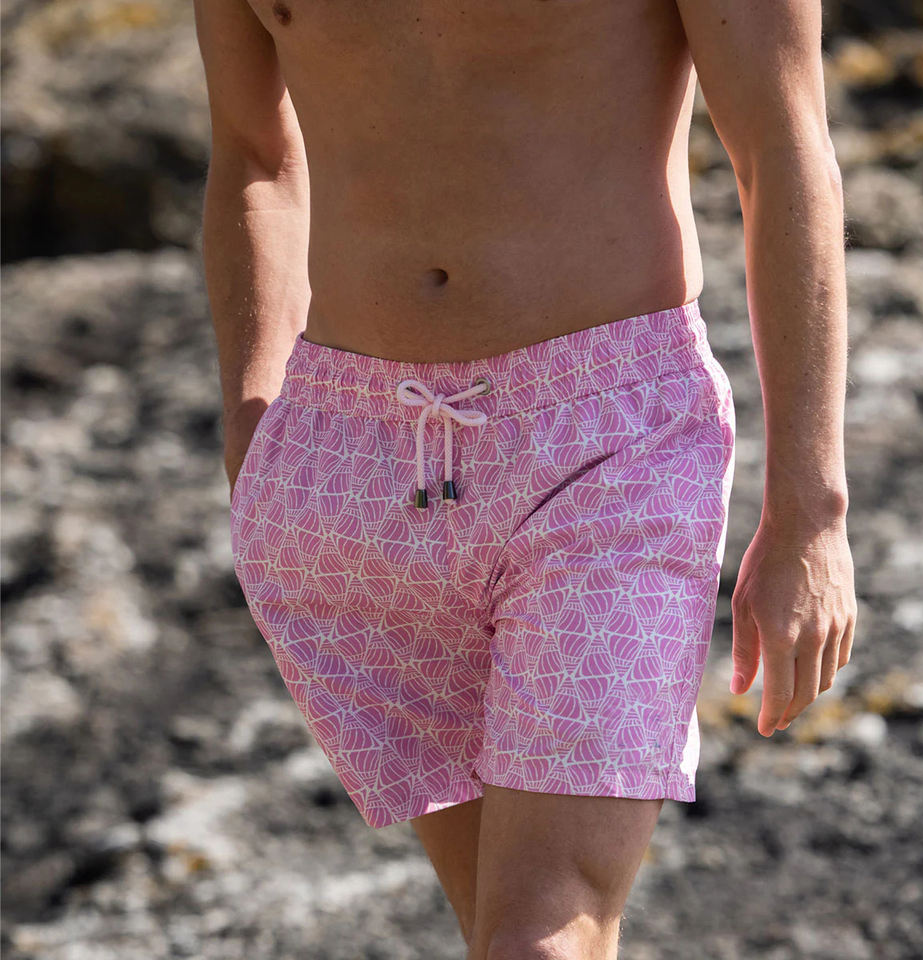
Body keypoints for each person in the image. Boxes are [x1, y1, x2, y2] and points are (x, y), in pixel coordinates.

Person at [193, 0, 858, 956]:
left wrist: (811, 512)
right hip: (341, 452)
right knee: (507, 932)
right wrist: (256, 432)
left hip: (604, 443)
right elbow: (253, 153)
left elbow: (783, 143)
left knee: (540, 934)